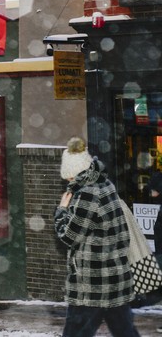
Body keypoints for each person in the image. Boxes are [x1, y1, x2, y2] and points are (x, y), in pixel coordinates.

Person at [54, 136, 138, 337]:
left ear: (76, 172)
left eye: (69, 176)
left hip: (92, 283)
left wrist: (62, 211)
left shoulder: (88, 194)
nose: (67, 180)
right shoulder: (105, 185)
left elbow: (68, 236)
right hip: (114, 277)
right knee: (124, 330)